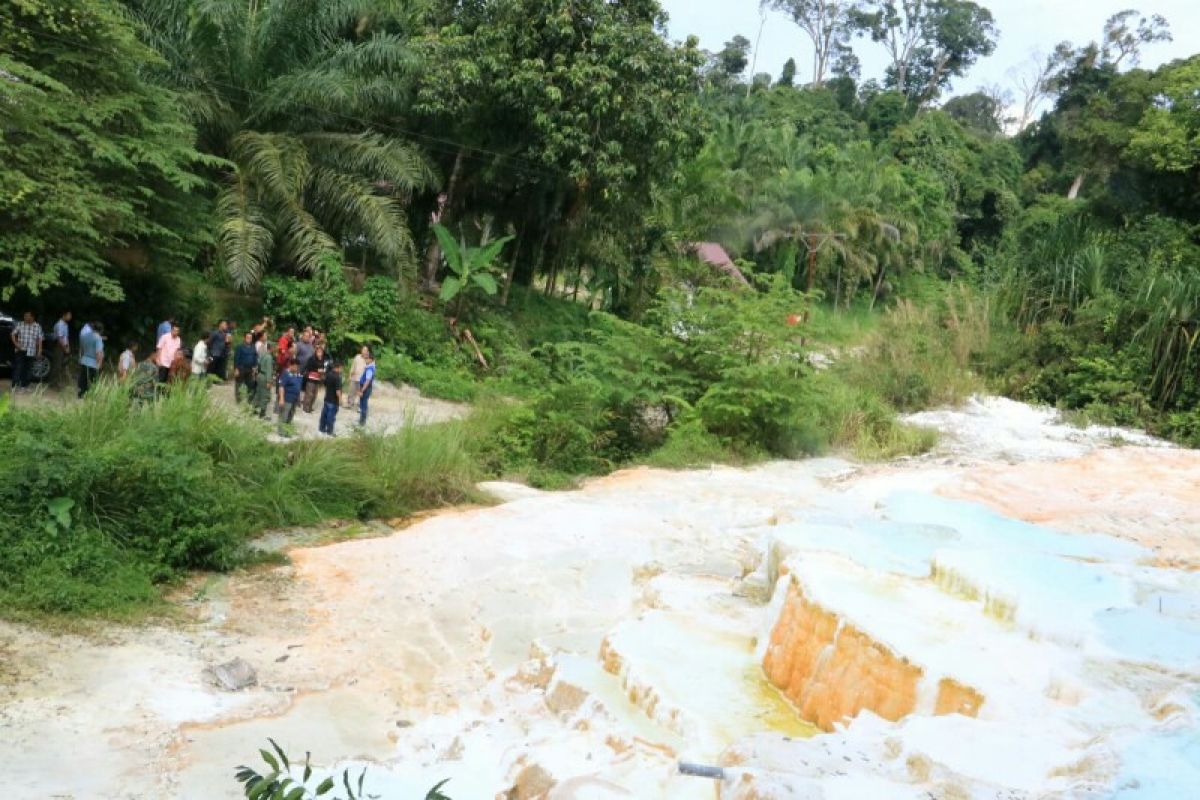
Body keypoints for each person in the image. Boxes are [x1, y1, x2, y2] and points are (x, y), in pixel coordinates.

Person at [10, 311, 43, 391]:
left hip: (31, 350)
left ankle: (24, 386)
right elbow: (13, 334)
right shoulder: (20, 324)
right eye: (24, 316)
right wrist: (16, 343)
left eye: (27, 316)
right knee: (18, 367)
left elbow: (40, 339)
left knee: (28, 369)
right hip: (21, 349)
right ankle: (14, 386)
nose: (25, 317)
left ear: (32, 317)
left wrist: (39, 351)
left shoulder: (37, 326)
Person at [277, 360, 304, 436]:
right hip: (287, 398)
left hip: (294, 399)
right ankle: (281, 432)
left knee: (290, 415)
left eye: (298, 367)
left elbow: (299, 387)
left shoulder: (298, 374)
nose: (297, 368)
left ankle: (287, 430)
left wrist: (299, 399)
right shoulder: (286, 373)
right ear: (291, 365)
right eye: (295, 367)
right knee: (284, 415)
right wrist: (281, 399)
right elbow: (281, 387)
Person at [77, 322, 104, 398]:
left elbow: (81, 349)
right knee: (92, 382)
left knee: (83, 380)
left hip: (84, 360)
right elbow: (98, 352)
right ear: (101, 330)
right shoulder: (98, 338)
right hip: (93, 363)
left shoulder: (85, 336)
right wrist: (100, 363)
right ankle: (89, 397)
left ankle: (81, 396)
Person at [318, 360, 343, 435]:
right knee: (331, 416)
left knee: (324, 414)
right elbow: (338, 391)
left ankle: (321, 428)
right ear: (338, 368)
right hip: (333, 400)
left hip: (327, 398)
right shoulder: (337, 377)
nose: (341, 370)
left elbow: (324, 384)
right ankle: (330, 431)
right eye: (341, 368)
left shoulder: (328, 375)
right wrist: (340, 400)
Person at [301, 344, 327, 413]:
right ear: (316, 352)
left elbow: (323, 368)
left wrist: (322, 371)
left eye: (321, 352)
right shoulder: (312, 358)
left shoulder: (322, 360)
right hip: (311, 378)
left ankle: (310, 406)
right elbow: (309, 367)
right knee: (309, 393)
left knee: (315, 394)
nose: (319, 353)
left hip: (317, 378)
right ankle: (306, 407)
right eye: (318, 352)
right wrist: (317, 369)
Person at [233, 332, 258, 404]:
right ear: (245, 338)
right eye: (247, 337)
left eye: (250, 338)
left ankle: (249, 400)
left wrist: (255, 367)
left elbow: (255, 357)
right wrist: (236, 369)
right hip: (241, 368)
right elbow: (236, 358)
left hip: (250, 369)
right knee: (239, 384)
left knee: (250, 385)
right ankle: (238, 400)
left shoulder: (253, 347)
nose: (249, 339)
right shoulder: (240, 347)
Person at [253, 341, 276, 419]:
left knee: (258, 393)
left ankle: (253, 409)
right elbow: (269, 370)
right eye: (274, 348)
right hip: (265, 377)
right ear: (271, 348)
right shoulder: (269, 357)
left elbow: (258, 364)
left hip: (260, 375)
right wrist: (269, 381)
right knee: (265, 395)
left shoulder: (263, 355)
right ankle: (262, 413)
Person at [52, 311, 71, 389]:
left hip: (64, 346)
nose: (70, 317)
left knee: (61, 365)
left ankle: (57, 382)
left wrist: (68, 347)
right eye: (69, 315)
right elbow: (60, 338)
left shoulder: (65, 325)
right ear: (64, 315)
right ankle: (53, 383)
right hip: (59, 346)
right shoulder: (60, 324)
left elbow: (66, 337)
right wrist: (64, 348)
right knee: (57, 365)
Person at [357, 349, 375, 427]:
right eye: (366, 358)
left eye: (367, 358)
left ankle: (362, 422)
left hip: (365, 388)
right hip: (366, 388)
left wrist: (362, 390)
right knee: (363, 404)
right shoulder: (370, 366)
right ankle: (361, 421)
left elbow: (367, 381)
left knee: (363, 405)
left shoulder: (370, 369)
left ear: (371, 360)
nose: (366, 360)